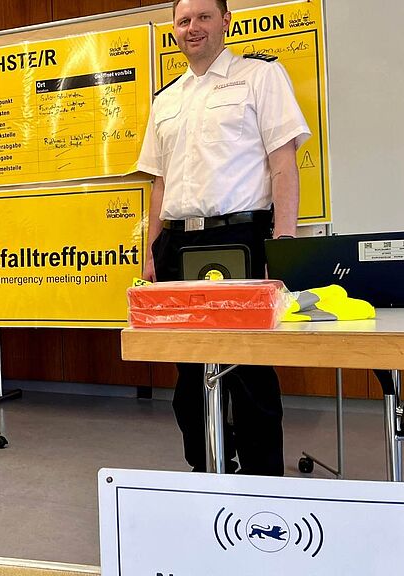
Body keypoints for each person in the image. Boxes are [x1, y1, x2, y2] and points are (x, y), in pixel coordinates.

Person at [137, 0, 311, 475]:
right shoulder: (166, 99)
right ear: (174, 29)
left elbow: (283, 164)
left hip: (240, 238)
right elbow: (160, 184)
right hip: (177, 246)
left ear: (225, 22)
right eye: (183, 20)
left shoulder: (260, 77)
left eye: (203, 17)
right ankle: (208, 468)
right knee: (189, 371)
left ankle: (261, 482)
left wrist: (283, 245)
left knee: (248, 369)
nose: (192, 27)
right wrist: (150, 253)